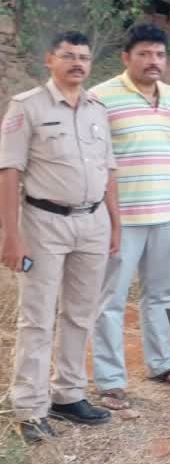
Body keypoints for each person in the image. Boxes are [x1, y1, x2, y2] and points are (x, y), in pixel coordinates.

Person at [1, 31, 119, 442]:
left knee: (81, 312)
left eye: (84, 57)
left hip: (93, 223)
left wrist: (115, 223)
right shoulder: (27, 107)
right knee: (37, 317)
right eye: (68, 56)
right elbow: (9, 172)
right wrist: (11, 236)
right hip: (43, 224)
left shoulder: (97, 109)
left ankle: (68, 395)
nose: (77, 63)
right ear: (49, 60)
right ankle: (30, 409)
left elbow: (108, 170)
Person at [90, 23, 170, 412]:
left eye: (160, 54)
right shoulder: (101, 97)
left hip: (165, 214)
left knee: (162, 294)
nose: (154, 61)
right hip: (120, 218)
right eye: (144, 54)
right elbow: (93, 158)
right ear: (126, 57)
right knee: (110, 300)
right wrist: (106, 216)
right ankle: (111, 382)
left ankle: (161, 363)